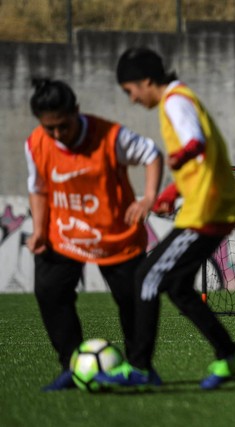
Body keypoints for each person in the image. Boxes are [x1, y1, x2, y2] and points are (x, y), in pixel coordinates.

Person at [94, 47, 235, 390]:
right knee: (178, 288)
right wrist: (171, 191)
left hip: (207, 210)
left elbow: (194, 142)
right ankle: (230, 356)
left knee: (146, 277)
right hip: (211, 205)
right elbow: (197, 157)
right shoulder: (180, 98)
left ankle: (139, 368)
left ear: (147, 81)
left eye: (130, 91)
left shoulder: (174, 101)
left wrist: (178, 158)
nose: (132, 99)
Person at [25, 78, 163, 390]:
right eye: (50, 128)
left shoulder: (110, 136)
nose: (58, 134)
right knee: (49, 291)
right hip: (64, 235)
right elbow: (38, 188)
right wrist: (39, 231)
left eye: (63, 125)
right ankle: (72, 366)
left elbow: (152, 154)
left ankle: (139, 368)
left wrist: (148, 197)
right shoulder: (35, 143)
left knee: (133, 300)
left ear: (76, 111)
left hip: (116, 236)